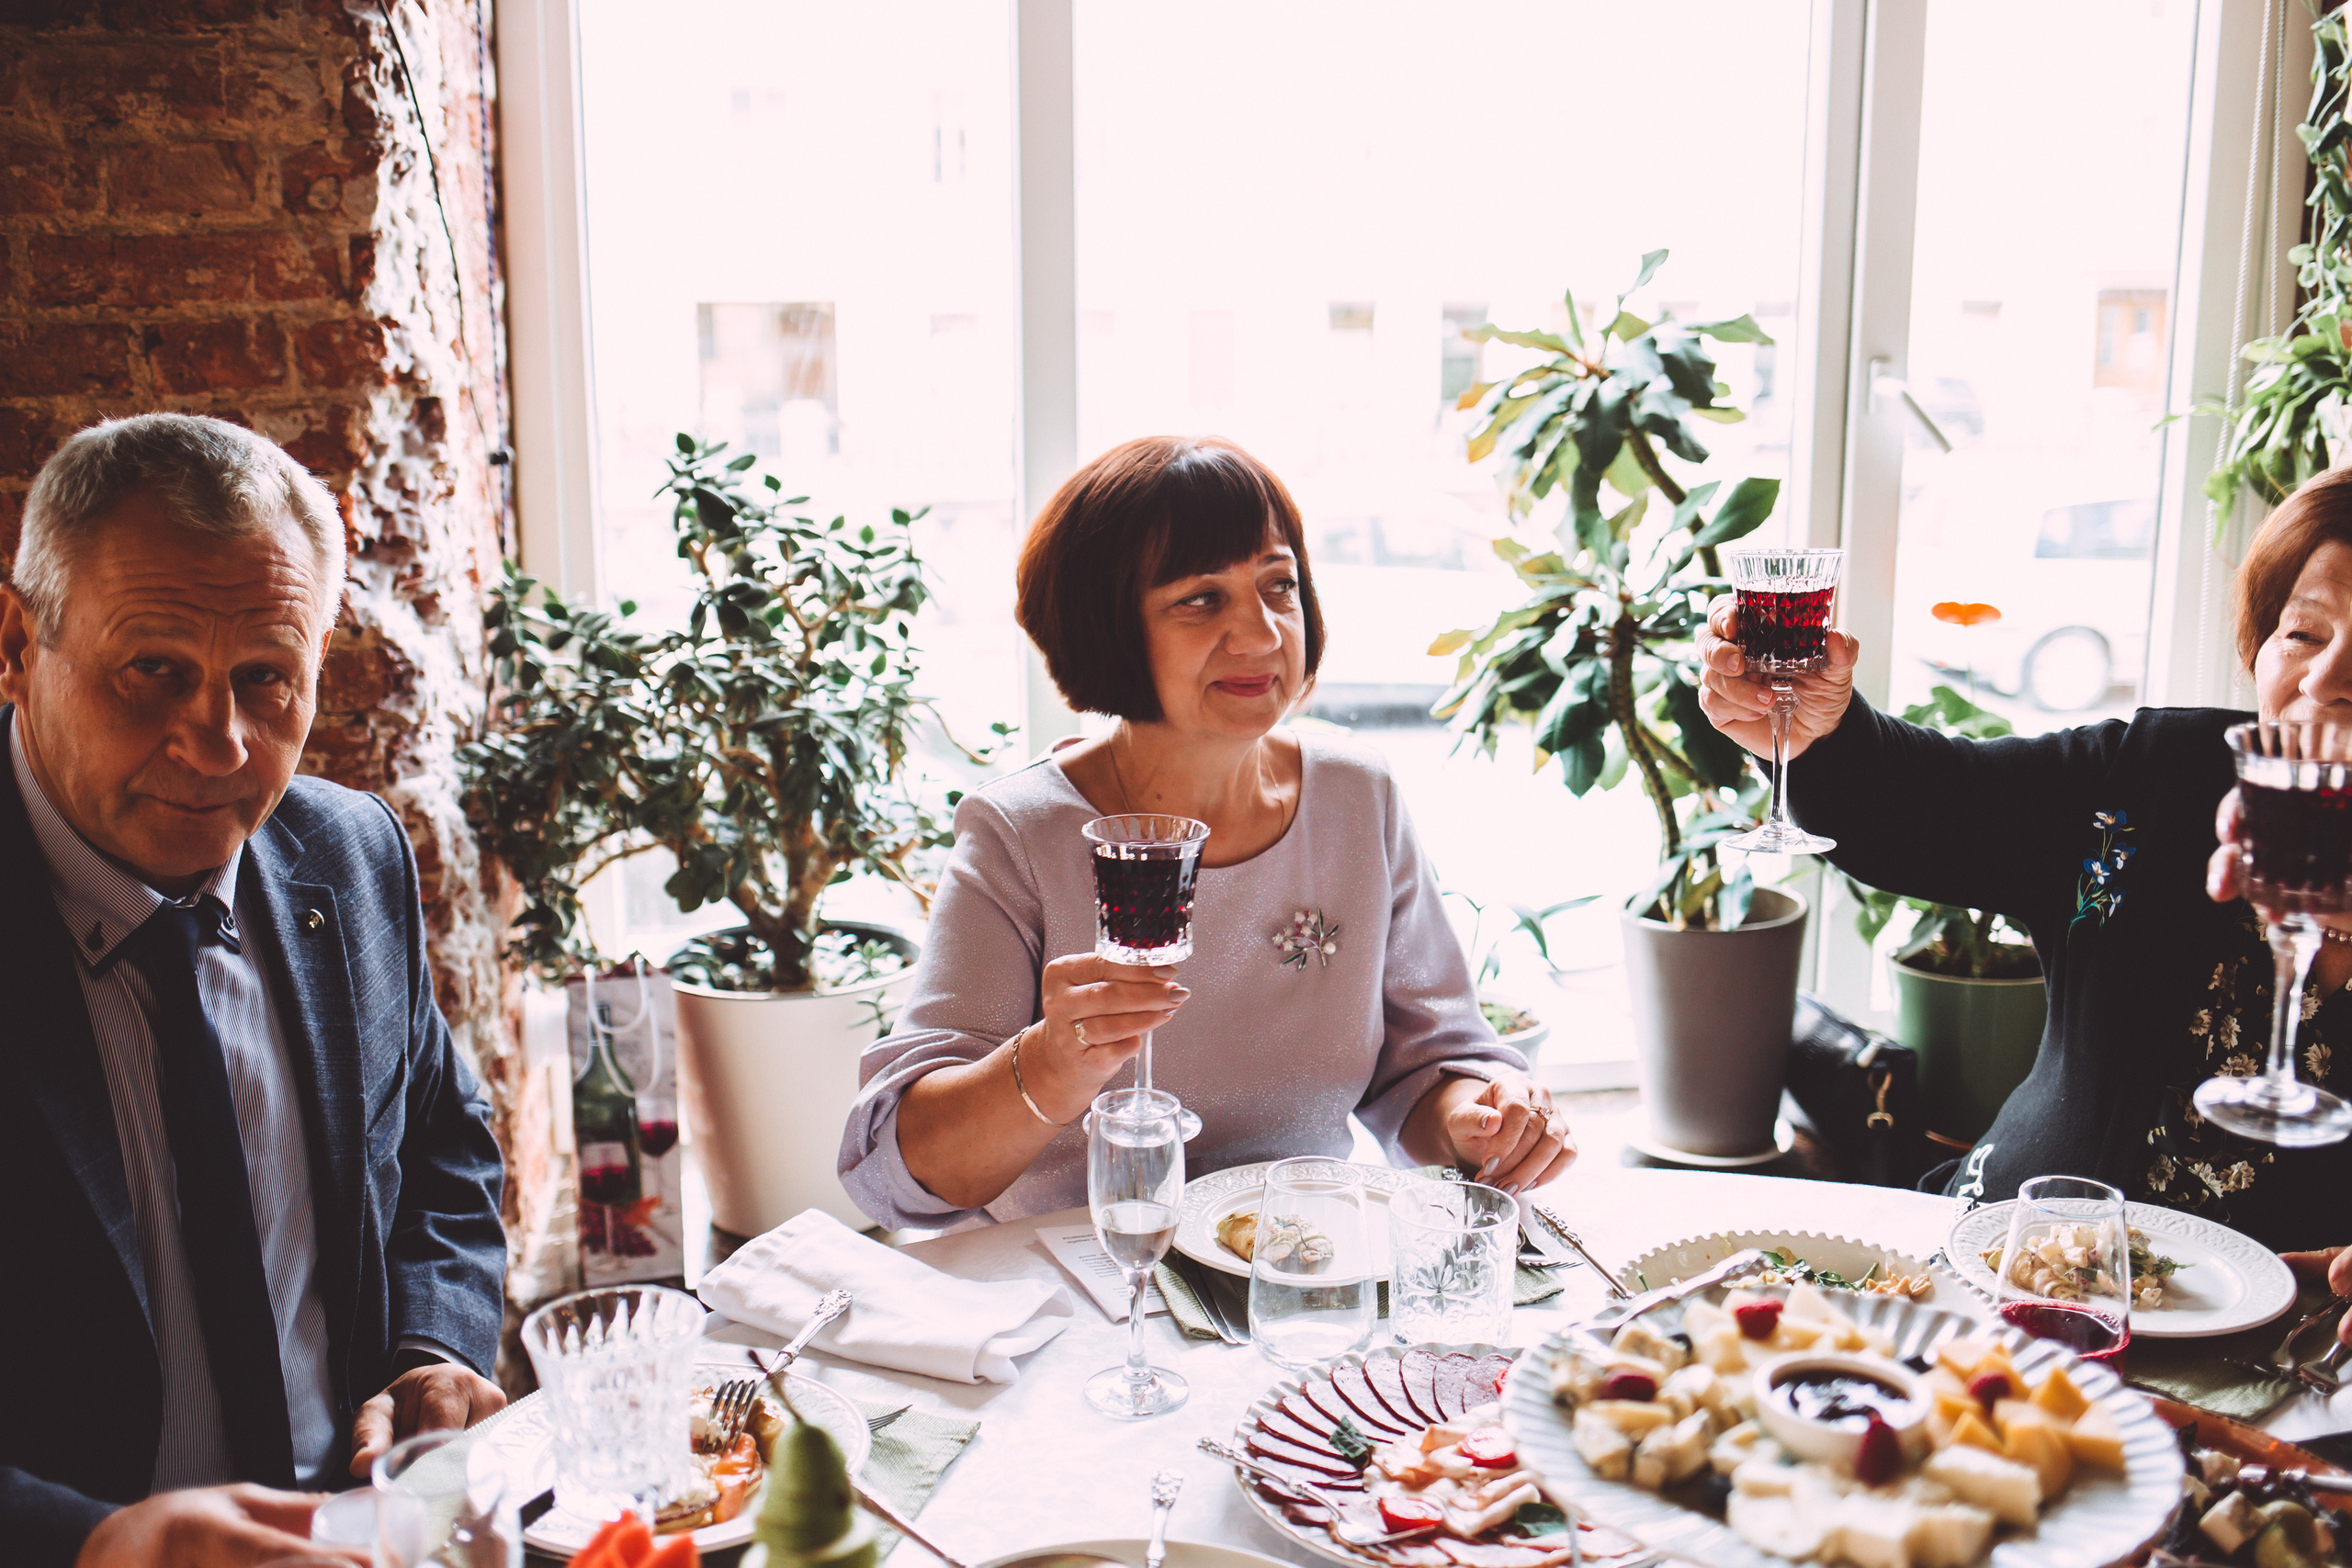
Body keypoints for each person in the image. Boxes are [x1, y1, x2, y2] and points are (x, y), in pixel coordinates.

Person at [0, 415, 509, 1568]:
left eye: (267, 679)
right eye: (155, 671)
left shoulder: (351, 853)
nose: (220, 742)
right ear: (17, 642)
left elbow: (440, 1137)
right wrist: (95, 1543)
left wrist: (433, 1348)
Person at [840, 435, 1573, 1228]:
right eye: (1200, 598)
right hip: (1075, 1295)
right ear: (1108, 624)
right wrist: (1050, 1064)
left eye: (1278, 585)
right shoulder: (1021, 834)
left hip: (1300, 1276)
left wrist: (1479, 1117)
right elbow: (902, 1171)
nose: (1260, 635)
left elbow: (1428, 1067)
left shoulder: (1357, 798)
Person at [1694, 470, 2352, 1339]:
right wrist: (1822, 732)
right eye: (2302, 632)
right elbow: (1935, 803)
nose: (2326, 679)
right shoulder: (2158, 778)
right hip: (1984, 1288)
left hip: (2285, 1361)